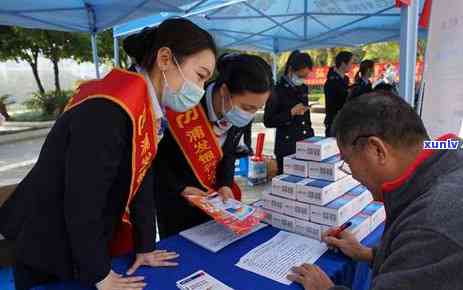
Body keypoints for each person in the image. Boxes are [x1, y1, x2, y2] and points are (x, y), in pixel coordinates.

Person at [0, 18, 217, 290]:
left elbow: (142, 183)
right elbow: (83, 198)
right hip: (49, 245)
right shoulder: (108, 109)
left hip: (82, 240)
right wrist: (99, 274)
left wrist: (145, 247)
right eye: (200, 75)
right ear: (165, 58)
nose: (200, 89)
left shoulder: (145, 108)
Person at [288, 91, 463, 290]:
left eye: (347, 161)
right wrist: (369, 254)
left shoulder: (429, 226)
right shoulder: (450, 160)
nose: (352, 174)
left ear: (377, 150)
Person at [154, 53, 273, 238]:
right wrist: (180, 188)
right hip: (176, 203)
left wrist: (225, 183)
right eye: (248, 108)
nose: (250, 115)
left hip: (216, 201)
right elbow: (155, 158)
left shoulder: (238, 112)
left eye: (257, 109)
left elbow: (229, 152)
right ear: (224, 92)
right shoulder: (183, 103)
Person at [264, 50, 314, 174]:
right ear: (291, 70)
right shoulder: (277, 90)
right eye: (300, 76)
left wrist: (311, 138)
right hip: (287, 146)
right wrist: (290, 113)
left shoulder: (303, 88)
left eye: (305, 77)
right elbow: (268, 121)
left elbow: (306, 120)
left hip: (305, 143)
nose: (302, 79)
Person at [323, 51, 354, 137]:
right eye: (351, 63)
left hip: (345, 120)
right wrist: (348, 93)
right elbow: (332, 104)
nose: (352, 66)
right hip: (334, 121)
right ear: (343, 64)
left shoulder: (345, 79)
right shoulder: (331, 81)